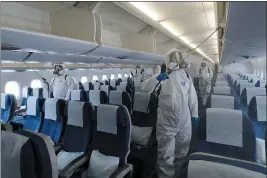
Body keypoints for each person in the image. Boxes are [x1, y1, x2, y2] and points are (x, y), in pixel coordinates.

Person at [142, 48, 198, 178]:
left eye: (178, 57)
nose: (176, 60)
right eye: (173, 58)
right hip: (166, 122)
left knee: (182, 153)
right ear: (168, 60)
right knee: (165, 156)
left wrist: (195, 114)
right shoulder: (162, 75)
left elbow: (192, 97)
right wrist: (157, 79)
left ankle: (178, 175)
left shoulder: (186, 76)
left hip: (184, 122)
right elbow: (144, 88)